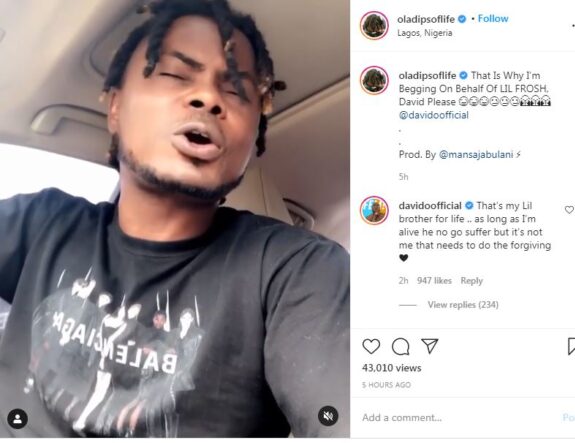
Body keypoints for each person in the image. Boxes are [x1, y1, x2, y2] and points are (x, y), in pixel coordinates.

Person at [0, 0, 349, 437]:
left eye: (237, 91)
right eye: (175, 75)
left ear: (252, 137)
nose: (208, 98)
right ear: (115, 108)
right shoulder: (41, 222)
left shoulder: (297, 271)